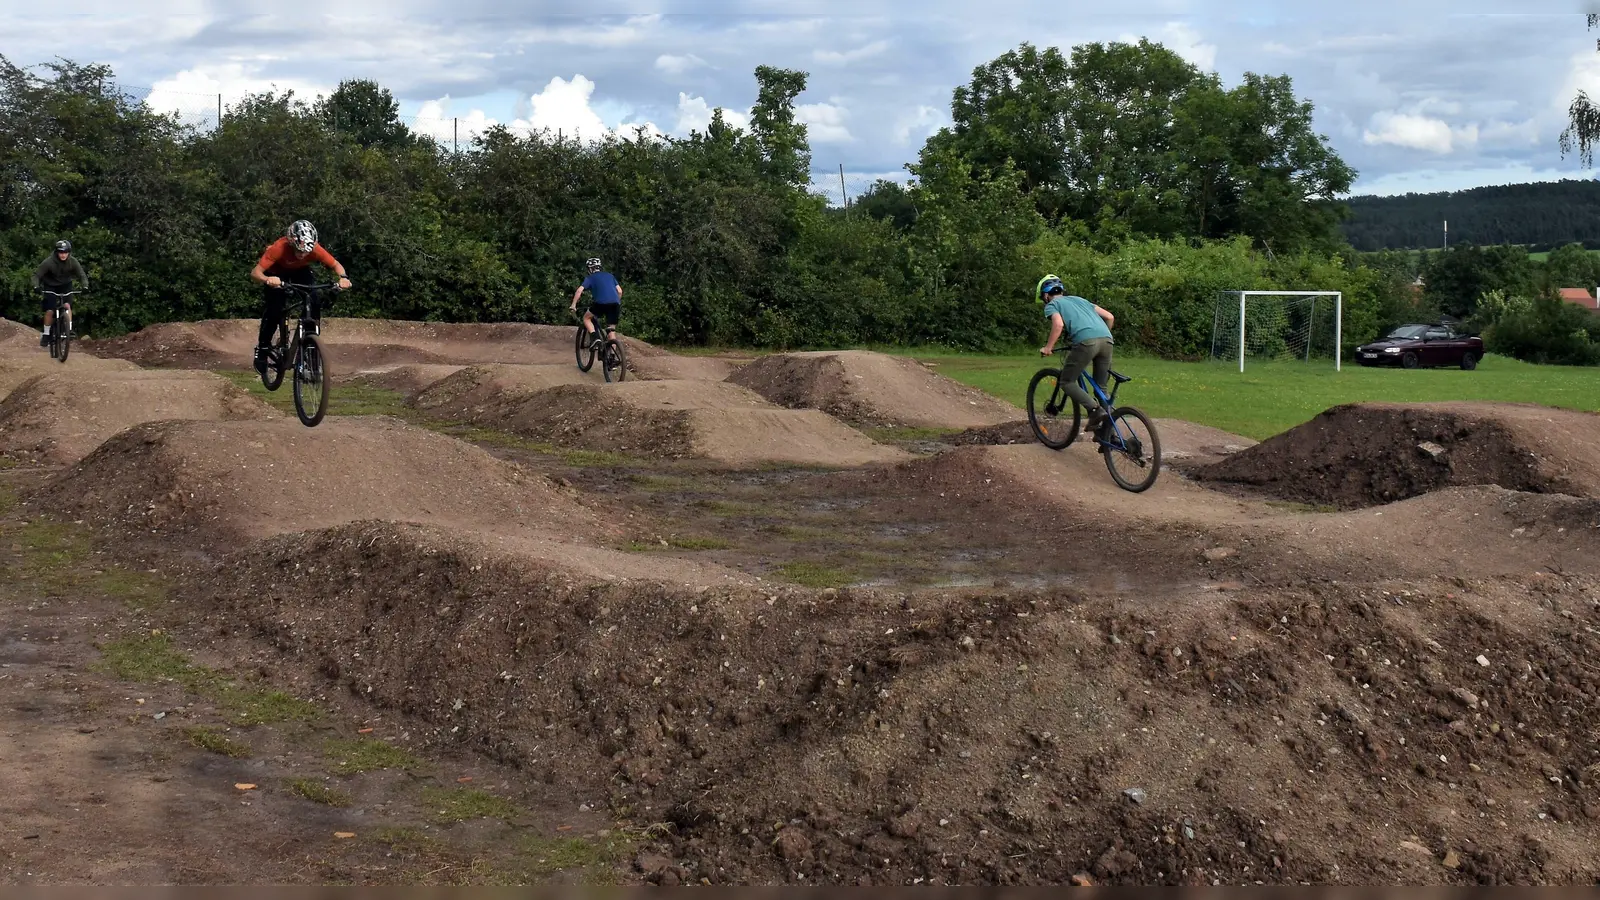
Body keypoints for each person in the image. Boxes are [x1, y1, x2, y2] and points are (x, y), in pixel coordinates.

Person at [249, 220, 351, 373]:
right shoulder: (278, 248)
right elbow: (255, 273)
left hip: (299, 272)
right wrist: (267, 280)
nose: (302, 254)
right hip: (276, 272)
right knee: (275, 308)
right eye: (299, 251)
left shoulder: (314, 249)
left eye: (306, 252)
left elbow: (336, 264)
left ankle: (311, 346)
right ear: (291, 243)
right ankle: (263, 349)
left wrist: (343, 277)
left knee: (314, 299)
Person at [1036, 274, 1116, 432]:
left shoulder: (1052, 304)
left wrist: (1048, 347)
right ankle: (1110, 434)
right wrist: (1100, 335)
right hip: (1107, 340)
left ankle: (1094, 410)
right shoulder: (1080, 300)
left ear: (1045, 295)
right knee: (1101, 388)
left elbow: (1058, 325)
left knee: (1066, 382)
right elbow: (1109, 316)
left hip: (1086, 342)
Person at [32, 240, 89, 347]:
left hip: (65, 285)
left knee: (68, 306)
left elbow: (82, 275)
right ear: (57, 252)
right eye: (61, 252)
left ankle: (69, 330)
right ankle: (46, 333)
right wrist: (36, 286)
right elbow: (36, 275)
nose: (63, 255)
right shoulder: (49, 262)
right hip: (50, 286)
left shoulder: (72, 261)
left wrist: (85, 286)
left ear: (69, 252)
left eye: (65, 252)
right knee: (50, 310)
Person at [569, 257, 622, 347]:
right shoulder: (610, 276)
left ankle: (595, 337)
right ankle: (612, 356)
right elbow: (620, 291)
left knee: (586, 318)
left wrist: (573, 305)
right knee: (611, 331)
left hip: (600, 304)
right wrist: (616, 301)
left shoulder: (590, 278)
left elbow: (579, 291)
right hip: (615, 303)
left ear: (589, 269)